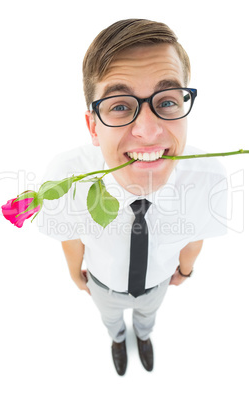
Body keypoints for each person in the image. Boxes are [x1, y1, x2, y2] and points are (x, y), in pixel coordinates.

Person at [38, 19, 227, 376]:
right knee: (110, 319)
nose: (149, 131)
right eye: (120, 106)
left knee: (148, 316)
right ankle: (116, 337)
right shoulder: (64, 178)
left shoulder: (208, 176)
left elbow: (195, 234)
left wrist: (185, 271)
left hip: (158, 282)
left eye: (167, 100)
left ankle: (143, 336)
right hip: (103, 284)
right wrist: (77, 277)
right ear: (93, 126)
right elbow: (70, 235)